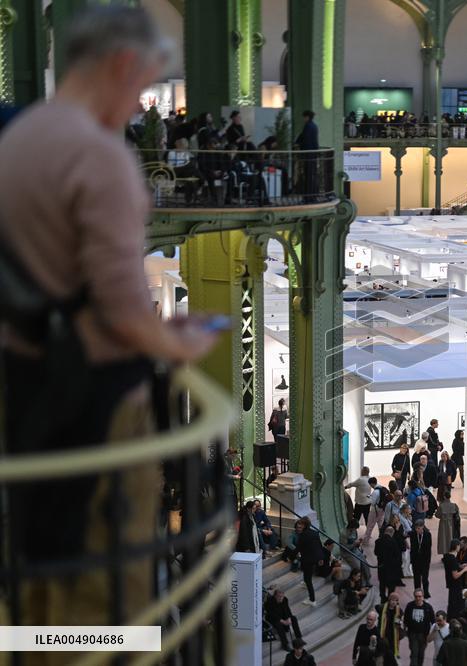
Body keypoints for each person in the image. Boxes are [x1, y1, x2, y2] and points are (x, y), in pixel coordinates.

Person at [0, 6, 220, 628]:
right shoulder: (100, 159)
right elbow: (123, 313)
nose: (141, 106)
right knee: (102, 589)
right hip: (95, 405)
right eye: (144, 85)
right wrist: (176, 345)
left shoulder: (20, 139)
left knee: (41, 568)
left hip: (25, 385)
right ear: (122, 64)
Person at [293, 517, 325, 606]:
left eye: (301, 525)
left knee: (308, 579)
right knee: (307, 572)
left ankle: (312, 600)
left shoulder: (303, 535)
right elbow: (319, 546)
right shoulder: (314, 533)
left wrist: (292, 555)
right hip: (314, 558)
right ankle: (304, 583)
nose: (299, 527)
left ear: (304, 525)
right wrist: (321, 558)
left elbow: (298, 548)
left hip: (307, 559)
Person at [404, 589, 435, 665]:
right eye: (416, 596)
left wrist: (431, 633)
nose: (418, 598)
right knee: (414, 653)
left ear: (423, 597)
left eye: (419, 596)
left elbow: (433, 620)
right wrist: (406, 631)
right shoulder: (410, 606)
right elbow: (406, 619)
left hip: (423, 635)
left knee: (421, 653)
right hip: (413, 634)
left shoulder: (428, 607)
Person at [376, 525, 404, 602]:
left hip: (381, 567)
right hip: (391, 568)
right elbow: (397, 555)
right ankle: (390, 600)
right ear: (392, 533)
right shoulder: (393, 542)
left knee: (382, 583)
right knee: (391, 586)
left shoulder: (378, 541)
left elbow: (376, 552)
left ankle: (382, 598)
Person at [444, 538, 467, 618]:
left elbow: (452, 567)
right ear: (456, 546)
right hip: (455, 585)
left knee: (451, 602)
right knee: (457, 604)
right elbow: (455, 575)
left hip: (450, 583)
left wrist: (460, 566)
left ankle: (450, 617)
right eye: (459, 546)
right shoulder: (453, 559)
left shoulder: (447, 556)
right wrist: (464, 570)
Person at [377, 592, 405, 660]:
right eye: (392, 600)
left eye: (396, 600)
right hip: (384, 631)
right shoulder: (382, 607)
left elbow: (401, 620)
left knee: (392, 648)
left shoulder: (399, 610)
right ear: (389, 600)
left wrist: (400, 622)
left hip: (393, 632)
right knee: (384, 647)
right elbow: (376, 608)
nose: (394, 602)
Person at [411, 518, 433, 597]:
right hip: (415, 560)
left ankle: (426, 592)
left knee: (425, 578)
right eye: (416, 528)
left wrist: (428, 560)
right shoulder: (413, 534)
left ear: (423, 527)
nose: (417, 530)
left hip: (425, 560)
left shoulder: (427, 534)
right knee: (416, 578)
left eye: (419, 528)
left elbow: (429, 548)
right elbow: (412, 547)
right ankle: (417, 592)